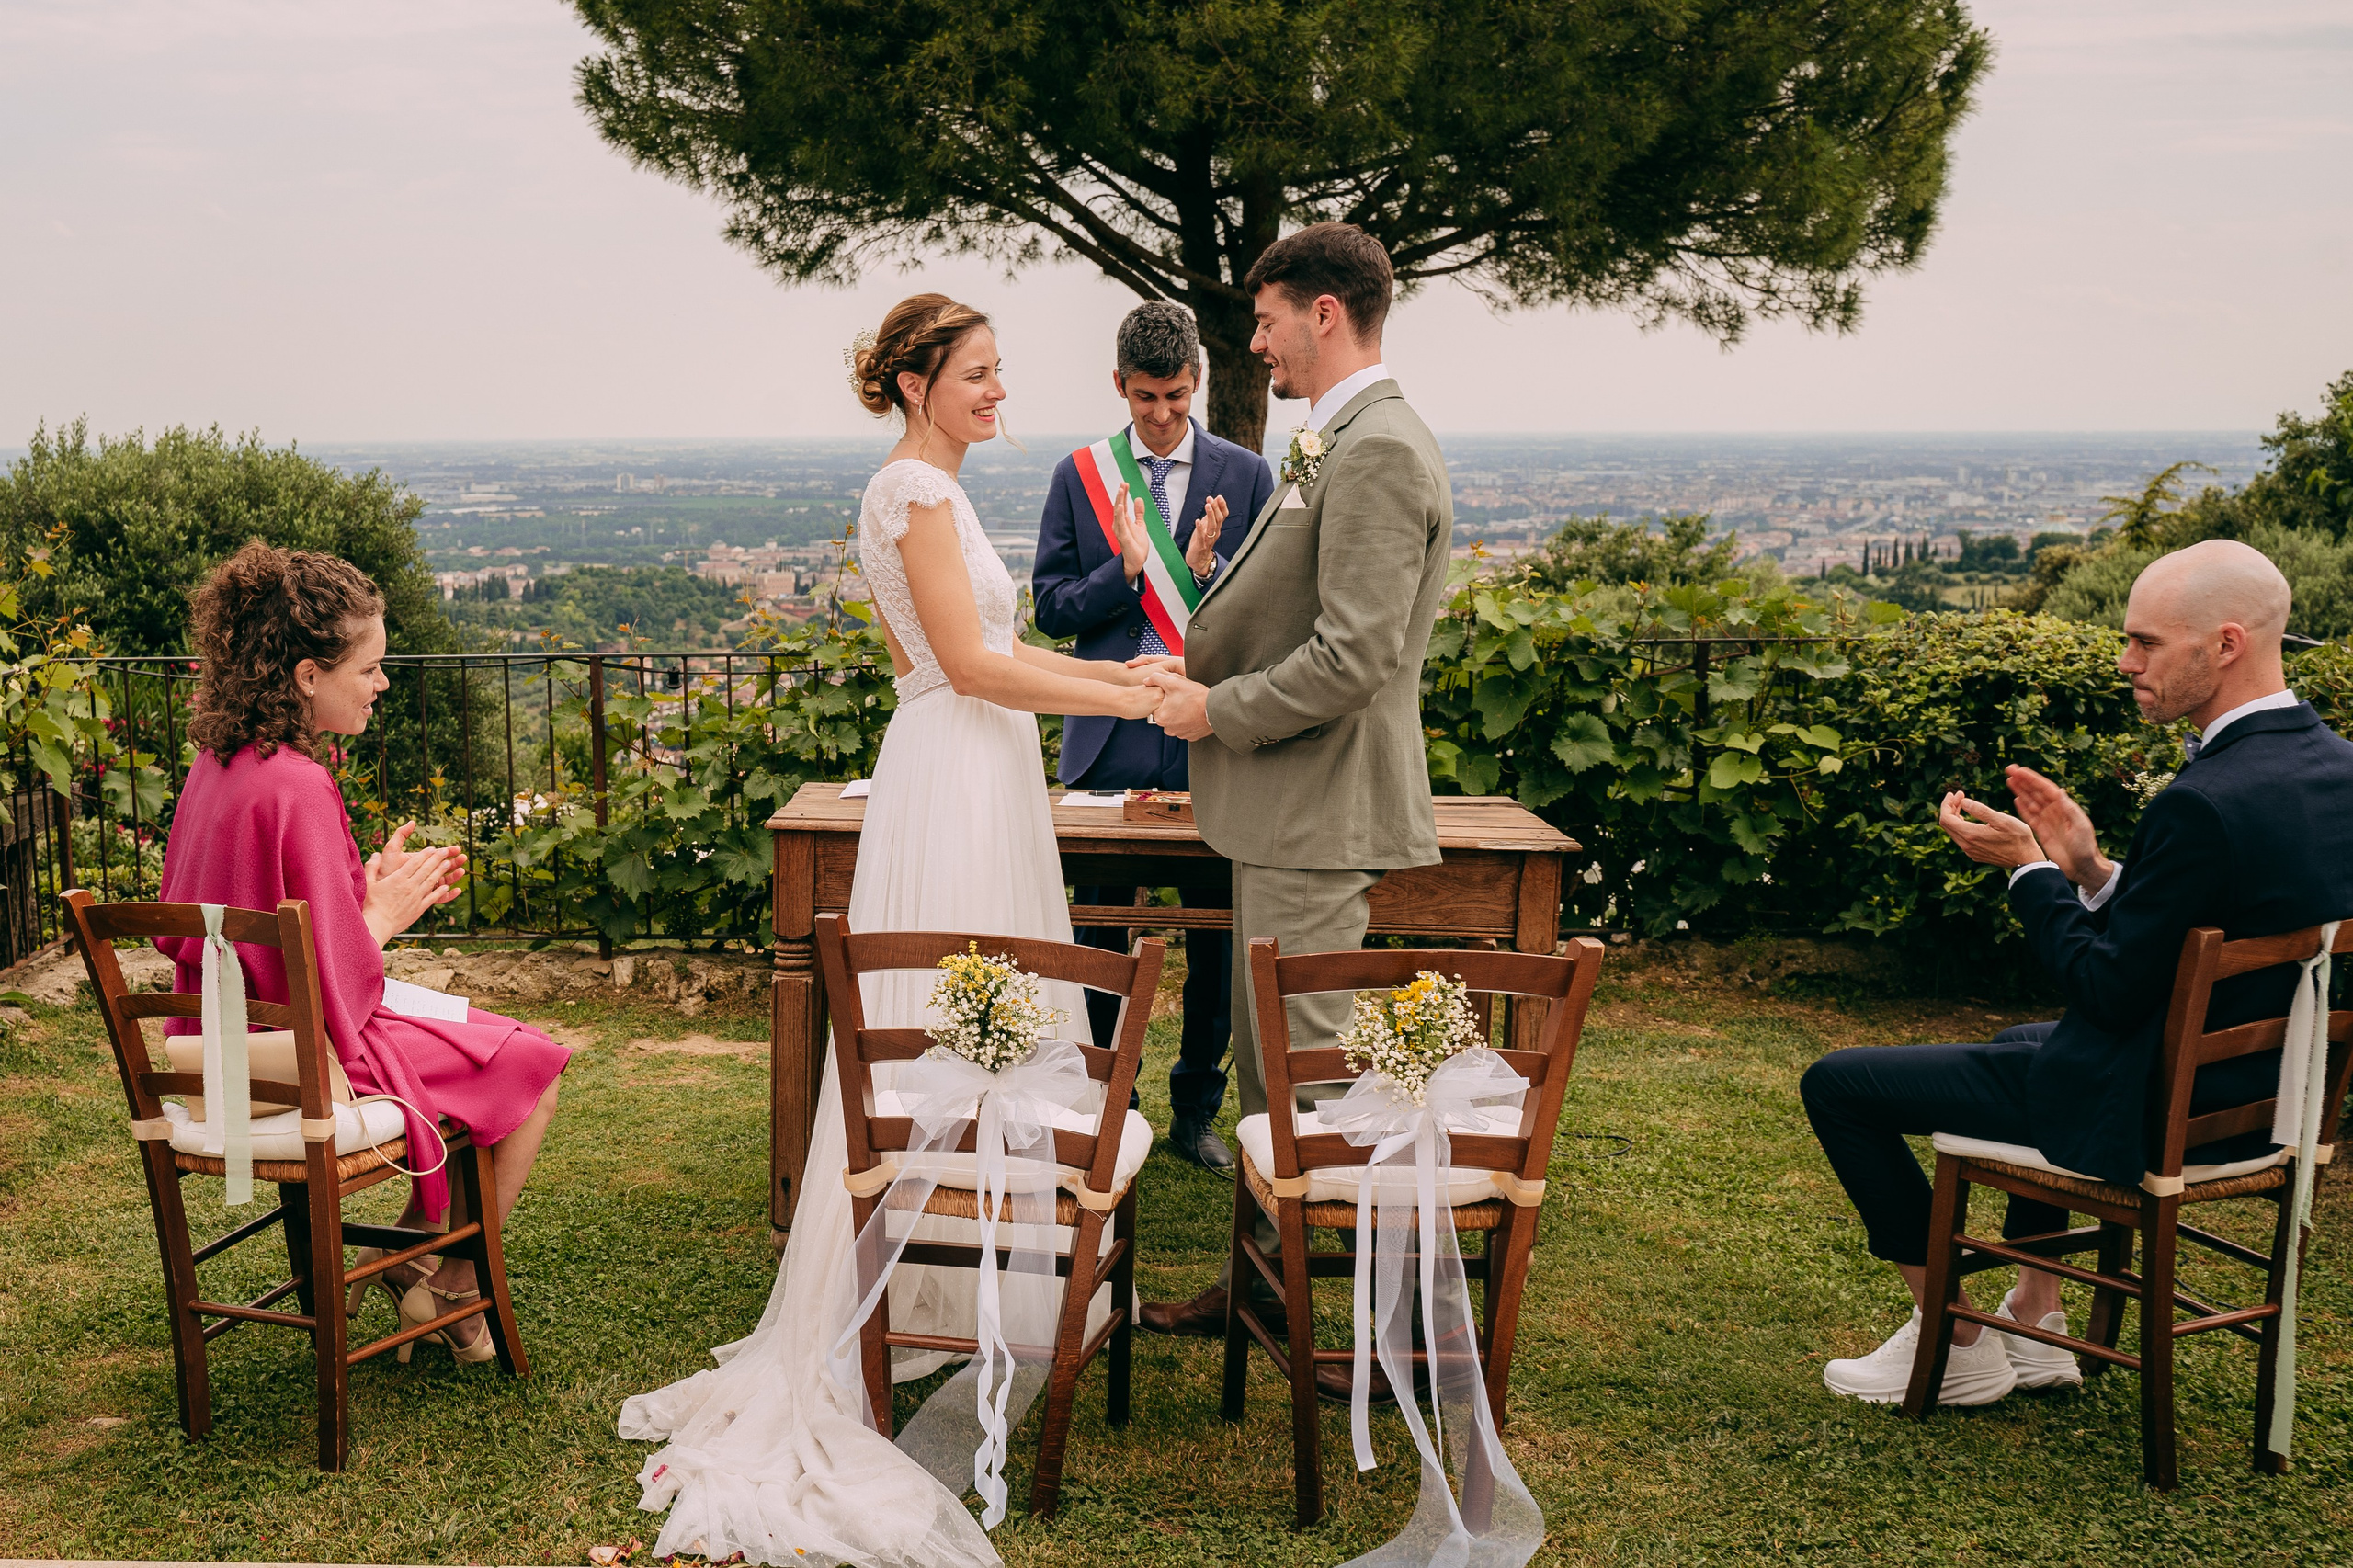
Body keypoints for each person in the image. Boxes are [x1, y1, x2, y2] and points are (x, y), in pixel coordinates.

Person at [619, 294, 1164, 1568]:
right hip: (954, 771)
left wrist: (1115, 683)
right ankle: (903, 1292)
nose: (998, 392)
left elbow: (989, 652)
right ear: (918, 383)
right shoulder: (906, 495)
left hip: (979, 765)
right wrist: (1127, 685)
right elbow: (970, 666)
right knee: (945, 1017)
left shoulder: (943, 494)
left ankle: (957, 1283)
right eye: (977, 374)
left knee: (991, 1018)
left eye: (999, 373)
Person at [1801, 539, 2353, 1405]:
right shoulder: (2335, 768)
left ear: (2228, 643)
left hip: (2158, 1111)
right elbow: (2218, 926)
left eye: (2146, 643)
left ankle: (1959, 1337)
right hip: (2266, 1098)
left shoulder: (2202, 800)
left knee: (1838, 1084)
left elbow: (2103, 989)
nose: (2126, 663)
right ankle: (2041, 1318)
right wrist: (2093, 870)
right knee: (2023, 1041)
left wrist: (2030, 872)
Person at [1127, 223, 1456, 1384]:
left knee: (1315, 1090)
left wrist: (1215, 710)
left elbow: (1354, 654)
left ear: (1326, 312)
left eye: (1266, 321)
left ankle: (1365, 1341)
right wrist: (1200, 652)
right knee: (1272, 1075)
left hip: (1318, 813)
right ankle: (1260, 1287)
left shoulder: (1378, 450)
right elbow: (1290, 609)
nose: (1252, 343)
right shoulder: (1339, 436)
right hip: (1283, 813)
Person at [155, 541, 571, 1361]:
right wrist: (381, 915)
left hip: (208, 1049)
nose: (382, 684)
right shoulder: (301, 785)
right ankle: (448, 1284)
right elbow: (337, 979)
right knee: (534, 1065)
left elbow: (269, 928)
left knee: (484, 1042)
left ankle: (400, 1254)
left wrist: (362, 895)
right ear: (309, 675)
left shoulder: (217, 763)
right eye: (370, 668)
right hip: (296, 1060)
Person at [1031, 300, 1276, 1172]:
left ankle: (1196, 1111)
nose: (1163, 416)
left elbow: (1267, 616)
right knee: (1098, 936)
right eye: (1145, 399)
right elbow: (1052, 609)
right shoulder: (1080, 475)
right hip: (1110, 737)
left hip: (1209, 739)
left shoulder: (1247, 475)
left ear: (1198, 382)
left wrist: (1203, 576)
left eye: (1175, 396)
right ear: (1118, 387)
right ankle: (1109, 1097)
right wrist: (1127, 570)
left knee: (1217, 938)